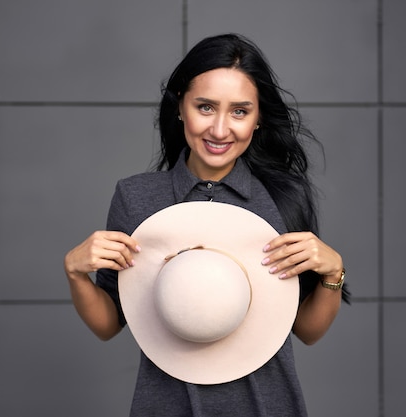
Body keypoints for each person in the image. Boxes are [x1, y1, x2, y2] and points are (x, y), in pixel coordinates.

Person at [64, 33, 349, 416]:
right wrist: (76, 274)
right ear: (180, 106)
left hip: (267, 405)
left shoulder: (283, 196)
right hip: (166, 405)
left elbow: (307, 331)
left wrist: (334, 271)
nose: (219, 129)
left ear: (258, 117)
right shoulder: (137, 198)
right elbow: (109, 324)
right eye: (205, 107)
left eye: (239, 111)